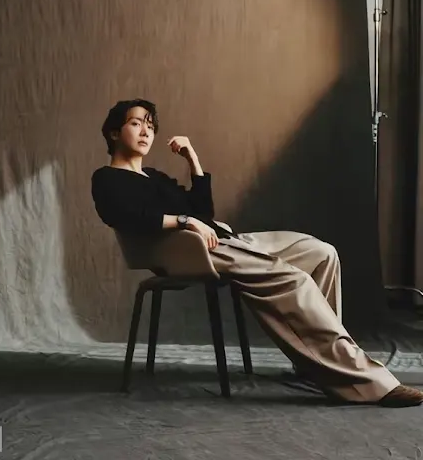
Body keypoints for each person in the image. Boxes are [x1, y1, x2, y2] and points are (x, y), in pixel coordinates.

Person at [91, 98, 423, 408]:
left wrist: (193, 160)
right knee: (293, 280)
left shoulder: (154, 177)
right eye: (136, 123)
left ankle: (316, 366)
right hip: (184, 251)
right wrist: (185, 221)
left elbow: (203, 213)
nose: (146, 131)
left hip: (220, 241)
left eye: (150, 125)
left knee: (321, 253)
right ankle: (363, 380)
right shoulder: (107, 178)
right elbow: (125, 215)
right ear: (114, 132)